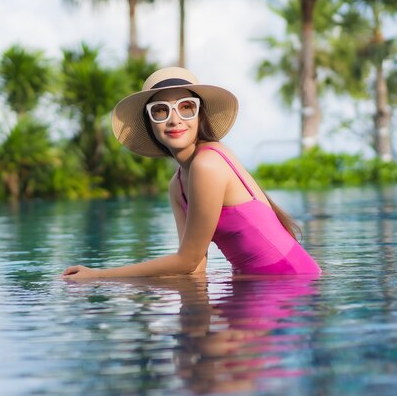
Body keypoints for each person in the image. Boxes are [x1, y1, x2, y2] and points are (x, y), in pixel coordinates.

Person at [62, 67, 321, 279]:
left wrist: (99, 276)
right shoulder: (177, 186)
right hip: (259, 286)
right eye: (160, 111)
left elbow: (186, 261)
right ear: (150, 124)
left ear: (200, 115)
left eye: (186, 107)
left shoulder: (207, 164)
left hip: (291, 285)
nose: (174, 119)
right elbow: (195, 267)